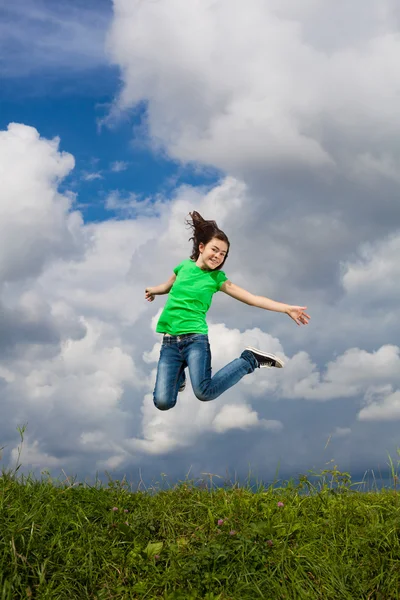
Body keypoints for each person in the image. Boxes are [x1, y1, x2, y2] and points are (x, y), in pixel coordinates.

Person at [145, 211, 310, 411]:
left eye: (223, 254)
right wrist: (153, 290)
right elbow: (168, 286)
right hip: (170, 343)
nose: (218, 256)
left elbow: (252, 299)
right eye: (215, 250)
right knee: (163, 402)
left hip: (195, 341)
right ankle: (179, 374)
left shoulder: (217, 279)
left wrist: (286, 309)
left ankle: (249, 360)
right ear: (201, 247)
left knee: (203, 392)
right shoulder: (183, 267)